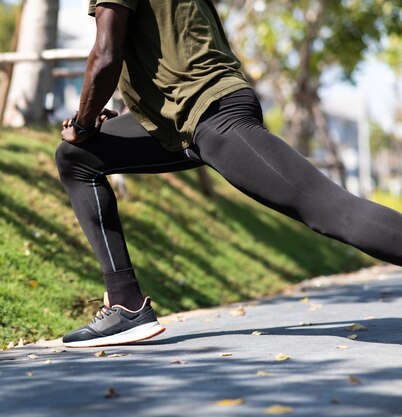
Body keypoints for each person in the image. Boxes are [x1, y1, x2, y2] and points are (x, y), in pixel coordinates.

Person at [55, 0, 402, 348]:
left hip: (214, 116)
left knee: (332, 211)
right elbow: (171, 50)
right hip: (178, 122)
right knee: (77, 156)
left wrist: (83, 122)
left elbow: (105, 55)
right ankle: (125, 304)